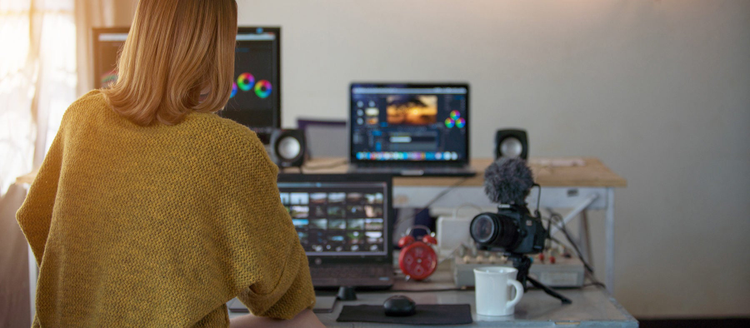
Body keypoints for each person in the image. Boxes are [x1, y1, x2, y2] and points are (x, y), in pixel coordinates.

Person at [15, 0, 323, 327]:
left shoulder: (80, 117)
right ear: (218, 51)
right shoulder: (230, 148)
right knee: (304, 321)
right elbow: (284, 296)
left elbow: (36, 218)